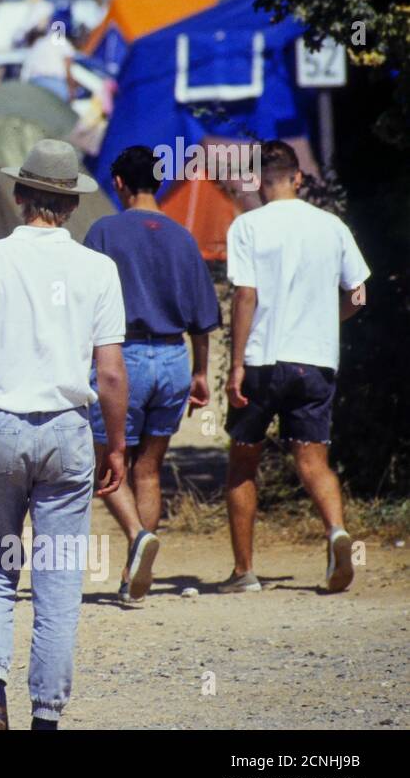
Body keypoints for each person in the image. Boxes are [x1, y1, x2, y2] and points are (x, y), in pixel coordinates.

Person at [0, 138, 128, 730]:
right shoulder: (97, 269)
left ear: (18, 195)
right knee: (59, 579)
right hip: (68, 431)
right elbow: (111, 372)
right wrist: (114, 444)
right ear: (70, 206)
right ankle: (47, 715)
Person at [222, 140, 370, 594]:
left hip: (263, 359)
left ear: (256, 181)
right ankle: (335, 532)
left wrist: (234, 367)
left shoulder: (246, 226)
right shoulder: (332, 226)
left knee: (243, 462)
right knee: (312, 460)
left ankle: (244, 571)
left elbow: (245, 296)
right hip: (316, 359)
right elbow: (359, 294)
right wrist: (329, 318)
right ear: (298, 177)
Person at [83, 146, 221, 603]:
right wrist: (201, 372)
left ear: (119, 183)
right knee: (148, 469)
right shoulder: (184, 237)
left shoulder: (104, 231)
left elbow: (85, 306)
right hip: (174, 358)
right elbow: (204, 317)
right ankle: (132, 576)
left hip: (123, 358)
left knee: (107, 463)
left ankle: (136, 537)